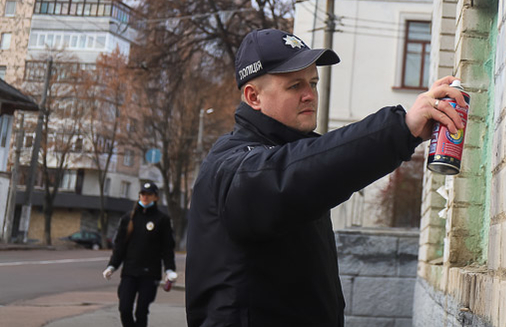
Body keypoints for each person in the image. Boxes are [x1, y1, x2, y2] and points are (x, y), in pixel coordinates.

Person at [185, 28, 465, 327]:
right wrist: (401, 128)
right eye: (294, 86)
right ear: (253, 97)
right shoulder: (232, 165)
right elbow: (293, 173)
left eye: (313, 83)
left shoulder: (291, 153)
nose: (310, 95)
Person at [103, 181, 178, 327]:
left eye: (149, 194)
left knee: (141, 311)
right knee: (124, 308)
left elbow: (167, 248)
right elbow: (120, 247)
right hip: (130, 272)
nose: (145, 197)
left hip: (150, 274)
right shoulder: (128, 218)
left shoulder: (162, 220)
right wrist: (112, 266)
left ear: (156, 197)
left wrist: (170, 270)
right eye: (143, 194)